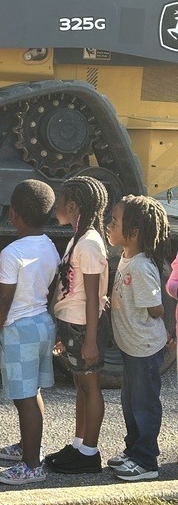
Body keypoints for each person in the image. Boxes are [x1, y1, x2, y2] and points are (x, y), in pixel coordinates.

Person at [0, 180, 59, 486]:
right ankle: (30, 448)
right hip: (42, 322)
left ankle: (32, 465)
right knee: (33, 394)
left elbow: (3, 299)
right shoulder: (50, 245)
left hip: (18, 329)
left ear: (13, 214)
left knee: (24, 399)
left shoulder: (12, 252)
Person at [47, 175, 110, 475]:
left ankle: (90, 453)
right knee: (79, 385)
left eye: (60, 202)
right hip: (73, 325)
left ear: (73, 206)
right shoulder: (79, 238)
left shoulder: (89, 244)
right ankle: (79, 443)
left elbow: (93, 297)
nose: (56, 207)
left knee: (90, 385)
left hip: (85, 327)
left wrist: (90, 341)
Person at [107, 195, 170, 482]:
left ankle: (146, 461)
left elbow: (156, 309)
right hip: (131, 346)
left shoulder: (142, 267)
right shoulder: (126, 256)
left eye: (115, 222)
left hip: (144, 348)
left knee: (144, 404)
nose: (109, 225)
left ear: (133, 233)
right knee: (130, 401)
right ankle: (133, 450)